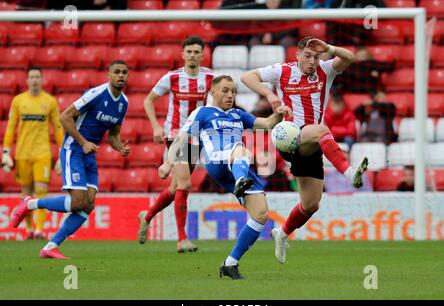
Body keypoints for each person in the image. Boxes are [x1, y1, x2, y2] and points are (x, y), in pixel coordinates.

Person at [241, 36, 369, 264]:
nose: (312, 61)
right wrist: (270, 95)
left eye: (316, 57)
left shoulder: (325, 70)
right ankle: (351, 173)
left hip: (312, 146)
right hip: (289, 138)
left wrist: (329, 48)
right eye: (308, 56)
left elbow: (349, 57)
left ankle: (281, 233)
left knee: (311, 204)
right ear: (297, 55)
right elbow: (246, 77)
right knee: (321, 130)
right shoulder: (282, 71)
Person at [158, 75, 292, 279]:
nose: (230, 95)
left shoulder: (239, 114)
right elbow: (181, 139)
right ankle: (240, 182)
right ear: (212, 92)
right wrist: (168, 163)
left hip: (239, 165)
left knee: (261, 214)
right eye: (225, 90)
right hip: (217, 161)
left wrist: (278, 114)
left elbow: (265, 124)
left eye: (233, 91)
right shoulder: (202, 113)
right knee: (243, 151)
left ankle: (230, 263)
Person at [10, 60, 130, 259]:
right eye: (116, 72)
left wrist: (120, 148)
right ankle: (31, 203)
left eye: (124, 73)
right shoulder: (96, 94)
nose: (121, 76)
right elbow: (65, 117)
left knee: (89, 203)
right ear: (108, 75)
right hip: (73, 149)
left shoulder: (123, 103)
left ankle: (50, 246)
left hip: (90, 154)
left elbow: (113, 136)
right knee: (77, 202)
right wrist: (83, 142)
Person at [137, 36, 213, 253]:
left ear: (202, 54)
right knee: (185, 185)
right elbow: (148, 100)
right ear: (182, 54)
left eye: (196, 52)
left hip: (195, 138)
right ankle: (182, 240)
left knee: (175, 189)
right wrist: (155, 126)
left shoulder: (209, 77)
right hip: (174, 135)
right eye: (189, 51)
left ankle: (147, 215)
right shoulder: (171, 78)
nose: (192, 55)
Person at [2, 66, 64, 240]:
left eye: (38, 77)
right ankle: (29, 231)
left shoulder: (50, 101)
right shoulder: (18, 101)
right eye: (32, 77)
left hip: (42, 154)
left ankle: (39, 230)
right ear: (27, 80)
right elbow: (11, 127)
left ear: (42, 79)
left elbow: (58, 129)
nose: (35, 80)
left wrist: (61, 152)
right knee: (26, 193)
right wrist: (6, 152)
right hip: (22, 154)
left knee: (42, 191)